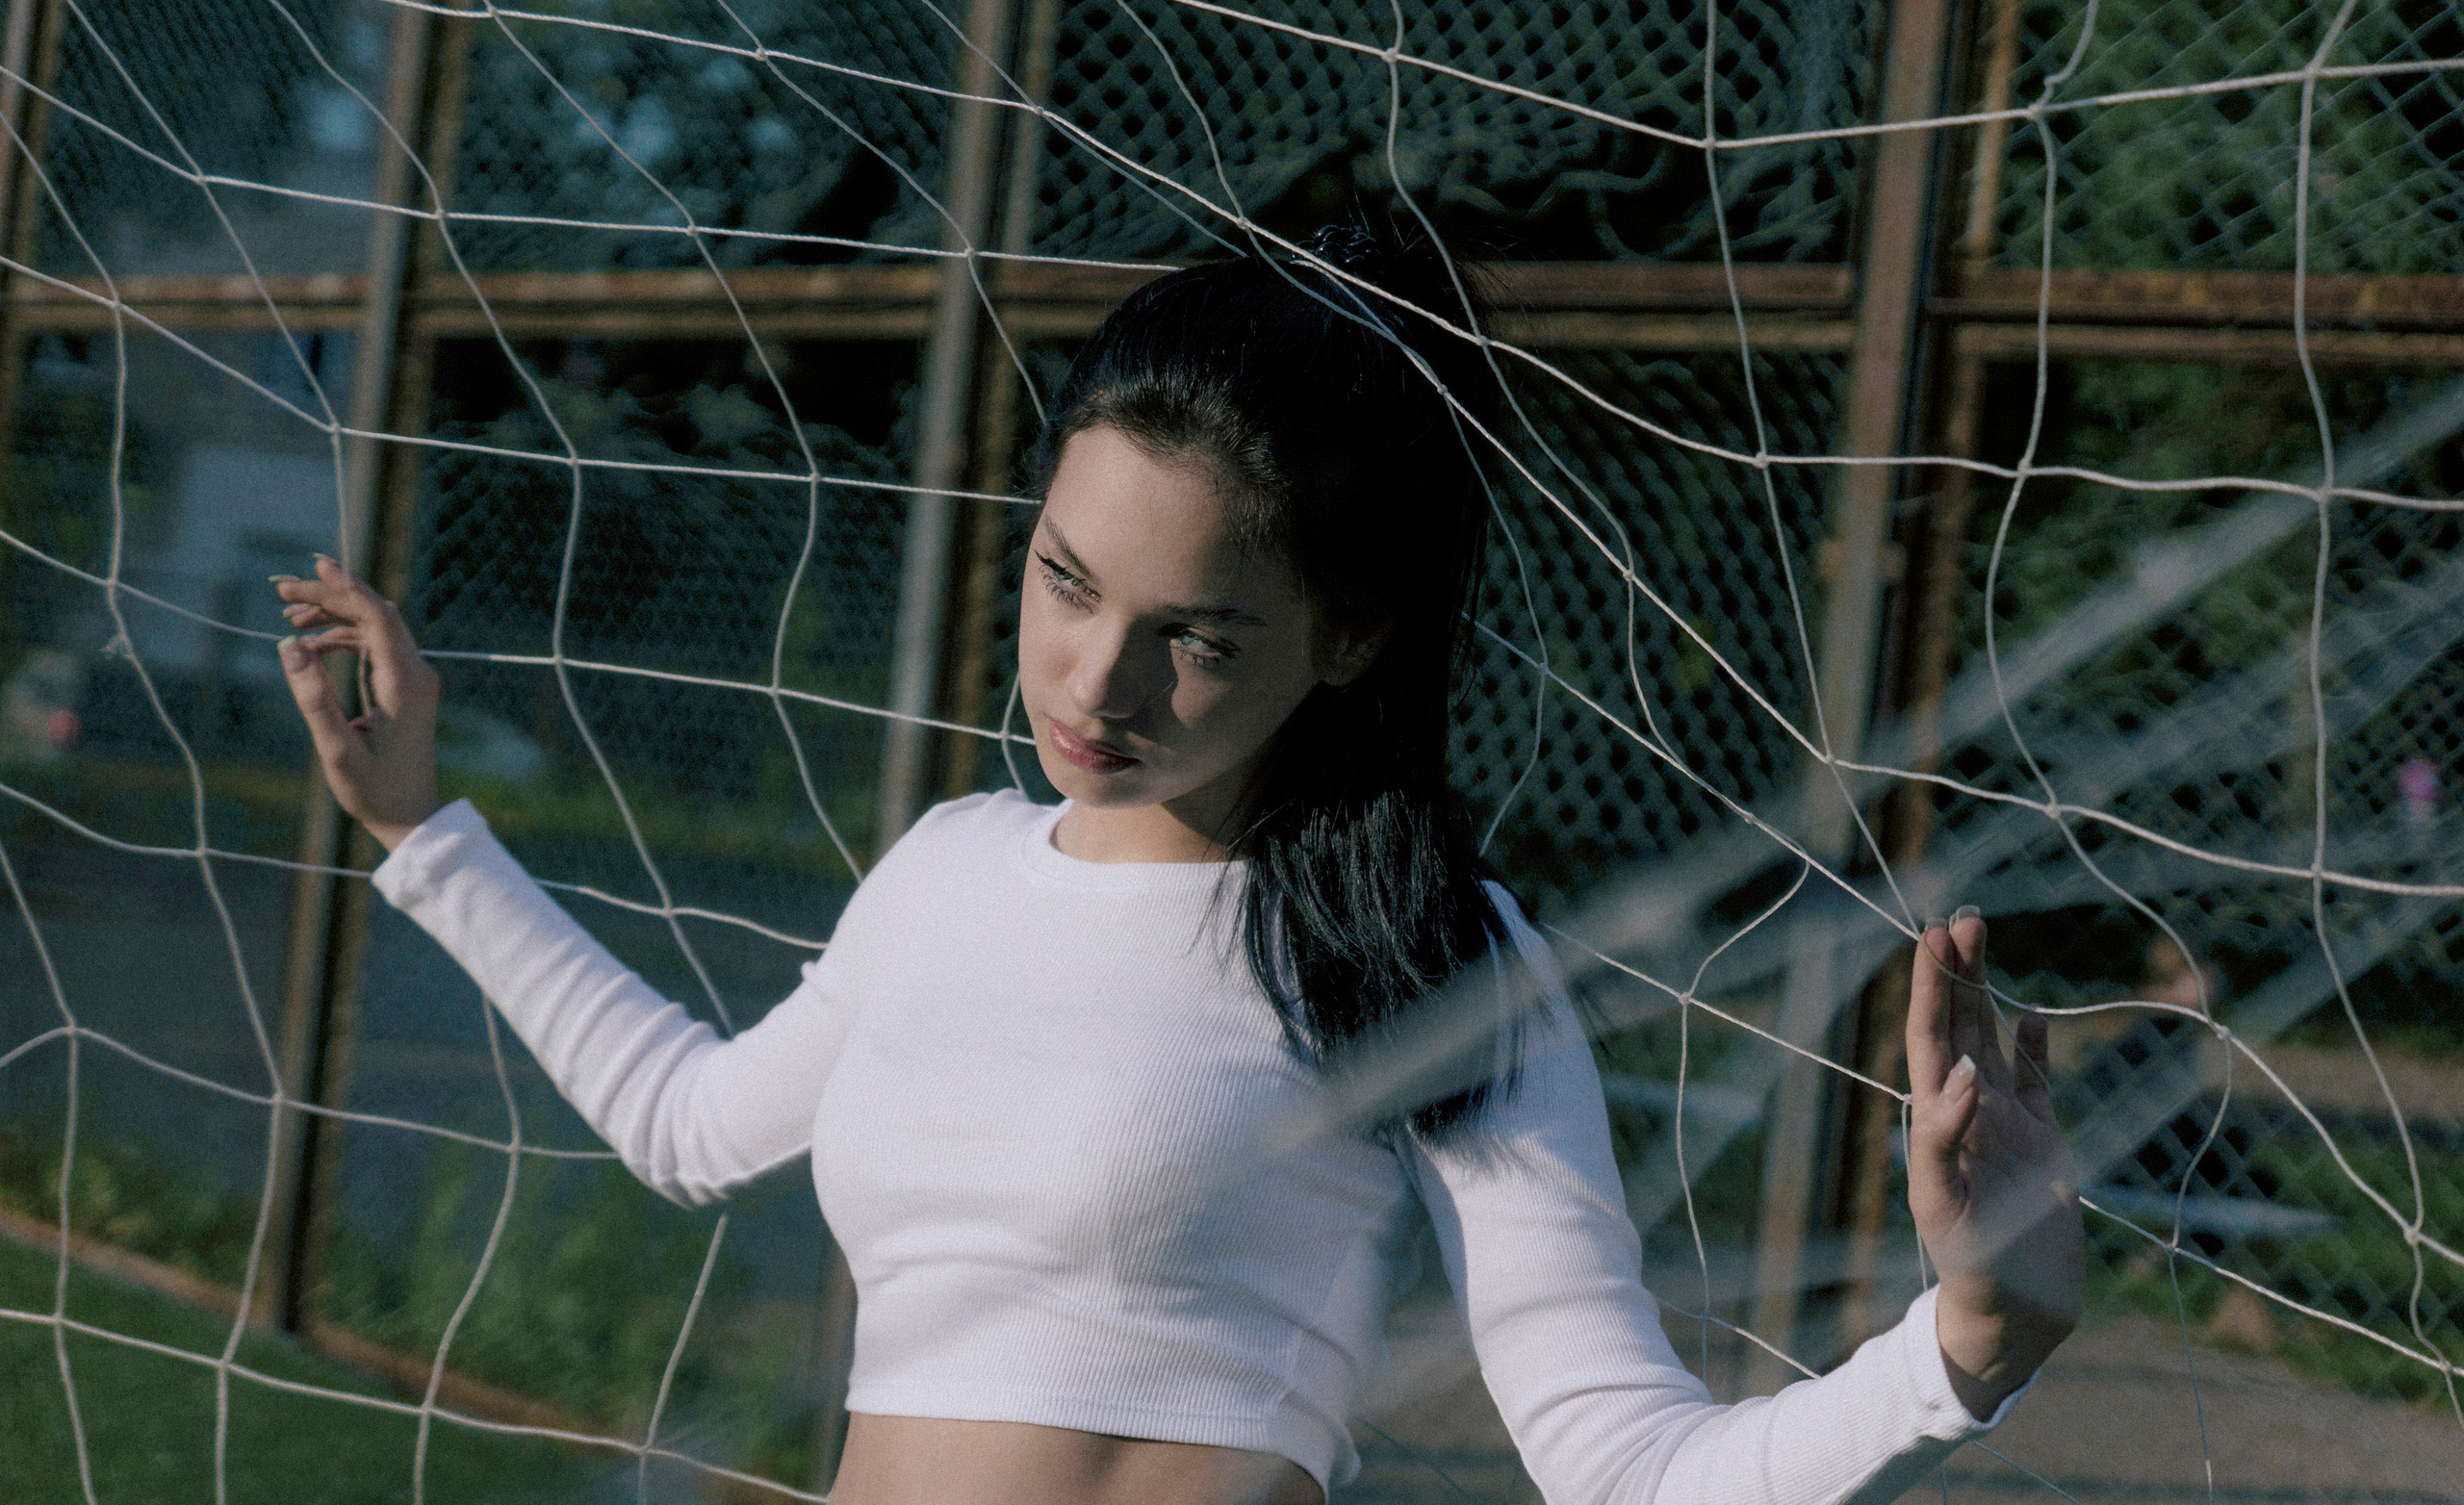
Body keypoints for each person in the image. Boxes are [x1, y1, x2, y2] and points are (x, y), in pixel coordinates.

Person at [272, 228, 2081, 1505]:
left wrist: (1963, 1347)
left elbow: (1630, 1468)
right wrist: (429, 835)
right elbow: (690, 1125)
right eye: (1066, 584)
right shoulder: (949, 866)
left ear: (1349, 637)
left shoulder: (1428, 961)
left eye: (1193, 637)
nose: (1093, 683)